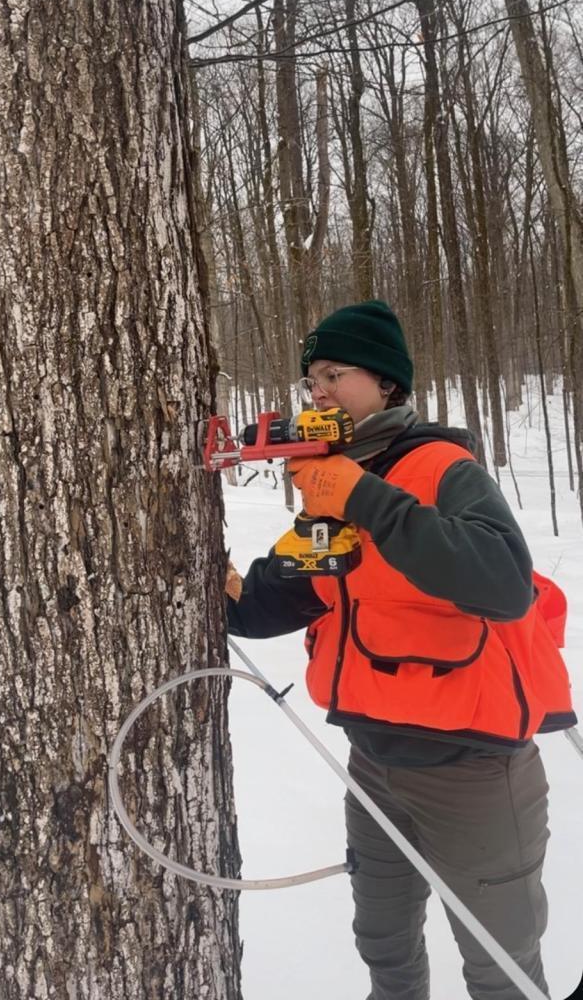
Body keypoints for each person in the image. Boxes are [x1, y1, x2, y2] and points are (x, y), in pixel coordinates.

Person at [225, 300, 576, 1000]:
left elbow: (503, 583)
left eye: (334, 374)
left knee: (500, 969)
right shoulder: (331, 479)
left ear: (386, 382)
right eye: (310, 381)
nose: (318, 391)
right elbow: (292, 597)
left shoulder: (442, 465)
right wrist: (236, 592)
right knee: (383, 945)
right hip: (372, 765)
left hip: (473, 772)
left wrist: (366, 499)